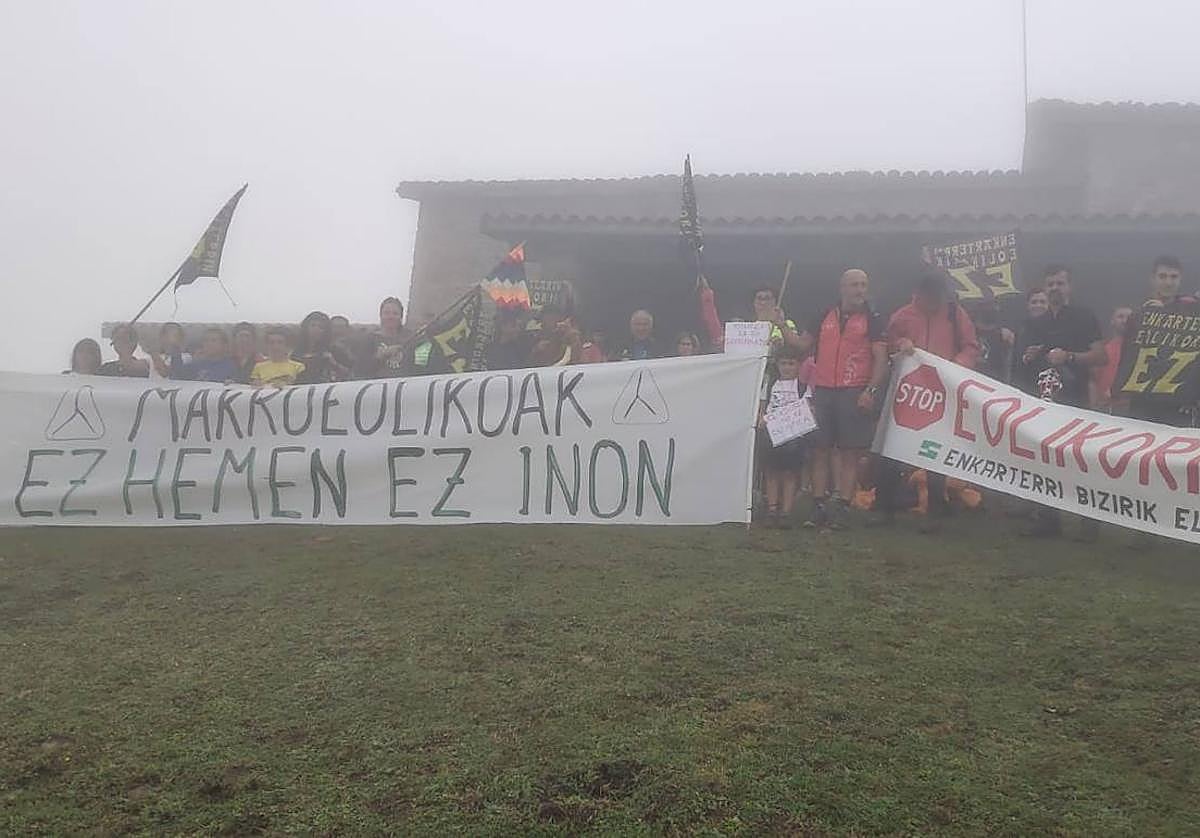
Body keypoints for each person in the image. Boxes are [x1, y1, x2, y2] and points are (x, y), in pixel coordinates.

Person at [877, 271, 980, 531]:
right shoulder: (902, 316)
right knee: (894, 447)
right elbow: (887, 345)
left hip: (942, 391)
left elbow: (971, 346)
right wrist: (901, 344)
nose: (934, 301)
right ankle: (885, 507)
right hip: (908, 391)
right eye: (929, 296)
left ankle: (936, 507)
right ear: (919, 294)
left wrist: (956, 366)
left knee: (936, 449)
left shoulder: (955, 314)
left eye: (938, 296)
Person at [1014, 265, 1106, 538]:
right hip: (1045, 401)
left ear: (1069, 287)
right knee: (1045, 460)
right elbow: (1024, 362)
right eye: (1050, 283)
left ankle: (1089, 524)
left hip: (1076, 400)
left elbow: (1101, 356)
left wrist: (1070, 357)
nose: (1055, 288)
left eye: (1060, 283)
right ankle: (1048, 520)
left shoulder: (1084, 316)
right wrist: (1029, 356)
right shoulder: (1035, 323)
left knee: (1080, 461)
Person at [797, 269, 888, 529]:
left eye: (864, 285)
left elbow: (881, 359)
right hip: (824, 389)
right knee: (819, 449)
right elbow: (802, 345)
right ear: (842, 288)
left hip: (854, 390)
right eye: (855, 285)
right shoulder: (824, 314)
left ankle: (844, 507)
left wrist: (870, 391)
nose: (860, 290)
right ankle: (818, 505)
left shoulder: (873, 318)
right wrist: (779, 325)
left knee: (850, 452)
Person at [756, 344, 808, 527]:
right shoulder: (770, 383)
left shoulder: (802, 387)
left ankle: (786, 511)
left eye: (791, 363)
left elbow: (807, 409)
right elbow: (763, 405)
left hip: (793, 436)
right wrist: (761, 418)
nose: (787, 367)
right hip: (771, 433)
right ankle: (772, 508)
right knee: (771, 471)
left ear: (798, 365)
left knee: (789, 474)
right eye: (783, 363)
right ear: (777, 364)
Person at [355, 297, 411, 378]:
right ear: (381, 315)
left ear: (401, 316)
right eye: (387, 313)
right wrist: (380, 357)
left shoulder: (411, 339)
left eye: (395, 313)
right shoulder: (369, 339)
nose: (391, 317)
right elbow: (359, 371)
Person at [1092, 306, 1132, 410]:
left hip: (1130, 408)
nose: (1125, 321)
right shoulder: (1102, 349)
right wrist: (1093, 405)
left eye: (1129, 317)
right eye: (1120, 317)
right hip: (1103, 407)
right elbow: (1092, 379)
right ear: (1112, 321)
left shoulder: (1141, 350)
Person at [293, 311, 348, 384]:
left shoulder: (335, 350)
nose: (316, 329)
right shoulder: (294, 350)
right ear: (305, 327)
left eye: (321, 327)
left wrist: (333, 363)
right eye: (313, 325)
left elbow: (349, 373)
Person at [969, 299, 1014, 383]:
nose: (990, 308)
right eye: (986, 305)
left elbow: (1008, 367)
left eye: (993, 305)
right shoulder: (968, 332)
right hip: (970, 381)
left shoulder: (1004, 336)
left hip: (994, 383)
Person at [172, 327, 240, 382]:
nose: (209, 344)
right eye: (206, 340)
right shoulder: (195, 365)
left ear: (224, 345)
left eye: (213, 340)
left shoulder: (232, 366)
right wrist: (176, 349)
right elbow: (177, 375)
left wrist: (233, 384)